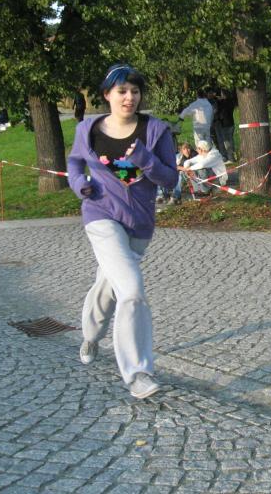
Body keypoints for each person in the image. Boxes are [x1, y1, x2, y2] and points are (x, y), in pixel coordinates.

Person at [67, 64, 178, 399]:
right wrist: (78, 184)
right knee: (131, 289)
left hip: (140, 223)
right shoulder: (88, 129)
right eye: (122, 91)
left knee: (108, 285)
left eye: (135, 91)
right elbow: (74, 162)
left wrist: (146, 159)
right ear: (107, 95)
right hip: (100, 215)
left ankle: (90, 335)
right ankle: (138, 372)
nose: (129, 97)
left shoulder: (155, 130)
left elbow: (170, 179)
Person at [212, 89, 237, 162]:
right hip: (231, 123)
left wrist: (215, 97)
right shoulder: (231, 101)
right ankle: (232, 156)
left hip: (224, 124)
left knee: (226, 142)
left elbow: (217, 105)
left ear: (223, 95)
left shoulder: (222, 102)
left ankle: (230, 157)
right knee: (230, 140)